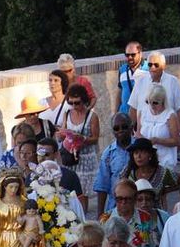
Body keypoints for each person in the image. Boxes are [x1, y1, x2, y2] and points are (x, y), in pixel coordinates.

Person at [56, 84, 100, 212]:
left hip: (85, 158)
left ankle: (83, 216)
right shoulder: (67, 113)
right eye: (71, 103)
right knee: (69, 187)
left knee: (83, 192)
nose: (74, 106)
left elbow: (96, 137)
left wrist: (82, 139)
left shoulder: (92, 116)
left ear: (84, 101)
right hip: (70, 158)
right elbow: (62, 134)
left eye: (77, 103)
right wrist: (62, 135)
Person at [100, 179, 159, 247]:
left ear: (135, 198)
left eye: (127, 199)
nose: (123, 202)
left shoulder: (146, 218)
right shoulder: (105, 219)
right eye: (119, 199)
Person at [127, 51, 180, 132]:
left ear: (163, 66)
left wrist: (179, 133)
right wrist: (129, 132)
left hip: (167, 136)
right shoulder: (140, 81)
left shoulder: (173, 82)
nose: (153, 67)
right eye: (150, 65)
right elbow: (133, 108)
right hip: (144, 135)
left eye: (156, 65)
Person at [94, 113, 134, 218]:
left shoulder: (141, 148)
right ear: (113, 132)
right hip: (115, 208)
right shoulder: (108, 154)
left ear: (131, 128)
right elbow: (102, 185)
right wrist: (100, 215)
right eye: (116, 128)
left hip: (138, 205)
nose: (120, 130)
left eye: (124, 127)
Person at [134, 84, 180, 169]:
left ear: (162, 101)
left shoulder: (170, 115)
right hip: (146, 161)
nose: (151, 106)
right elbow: (138, 134)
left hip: (165, 161)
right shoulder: (143, 112)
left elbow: (177, 141)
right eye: (148, 102)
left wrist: (157, 140)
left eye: (155, 103)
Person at [117, 41, 149, 113]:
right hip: (125, 116)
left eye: (133, 55)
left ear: (140, 53)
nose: (130, 57)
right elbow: (120, 91)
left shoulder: (149, 69)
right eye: (127, 55)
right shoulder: (122, 69)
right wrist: (115, 113)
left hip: (143, 115)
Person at [38, 69, 71, 136]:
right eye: (50, 80)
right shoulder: (41, 103)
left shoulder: (69, 103)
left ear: (62, 83)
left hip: (62, 142)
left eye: (56, 80)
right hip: (46, 142)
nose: (52, 83)